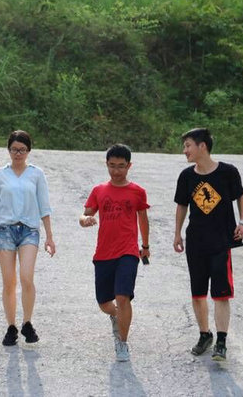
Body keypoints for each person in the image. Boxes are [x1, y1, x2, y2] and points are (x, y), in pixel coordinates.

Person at [173, 128, 243, 361]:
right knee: (197, 294)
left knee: (221, 294)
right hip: (196, 241)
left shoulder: (228, 172)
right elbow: (182, 205)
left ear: (202, 146)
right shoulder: (187, 176)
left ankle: (221, 341)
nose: (185, 150)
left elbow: (240, 196)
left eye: (188, 145)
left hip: (221, 241)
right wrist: (177, 234)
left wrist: (242, 222)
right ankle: (205, 335)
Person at [0, 130, 56, 346]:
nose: (18, 154)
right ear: (8, 150)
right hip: (5, 229)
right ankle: (11, 326)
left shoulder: (36, 174)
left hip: (29, 230)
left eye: (22, 150)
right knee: (9, 281)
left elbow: (44, 206)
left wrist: (49, 237)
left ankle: (27, 322)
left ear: (29, 151)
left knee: (26, 277)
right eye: (14, 149)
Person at [79, 144, 150, 362]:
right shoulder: (99, 190)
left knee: (123, 296)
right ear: (106, 164)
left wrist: (145, 246)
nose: (116, 171)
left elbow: (143, 219)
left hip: (128, 251)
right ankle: (116, 316)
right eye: (112, 165)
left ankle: (122, 342)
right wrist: (86, 220)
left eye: (121, 166)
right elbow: (84, 214)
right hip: (103, 253)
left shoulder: (137, 191)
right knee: (104, 303)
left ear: (129, 166)